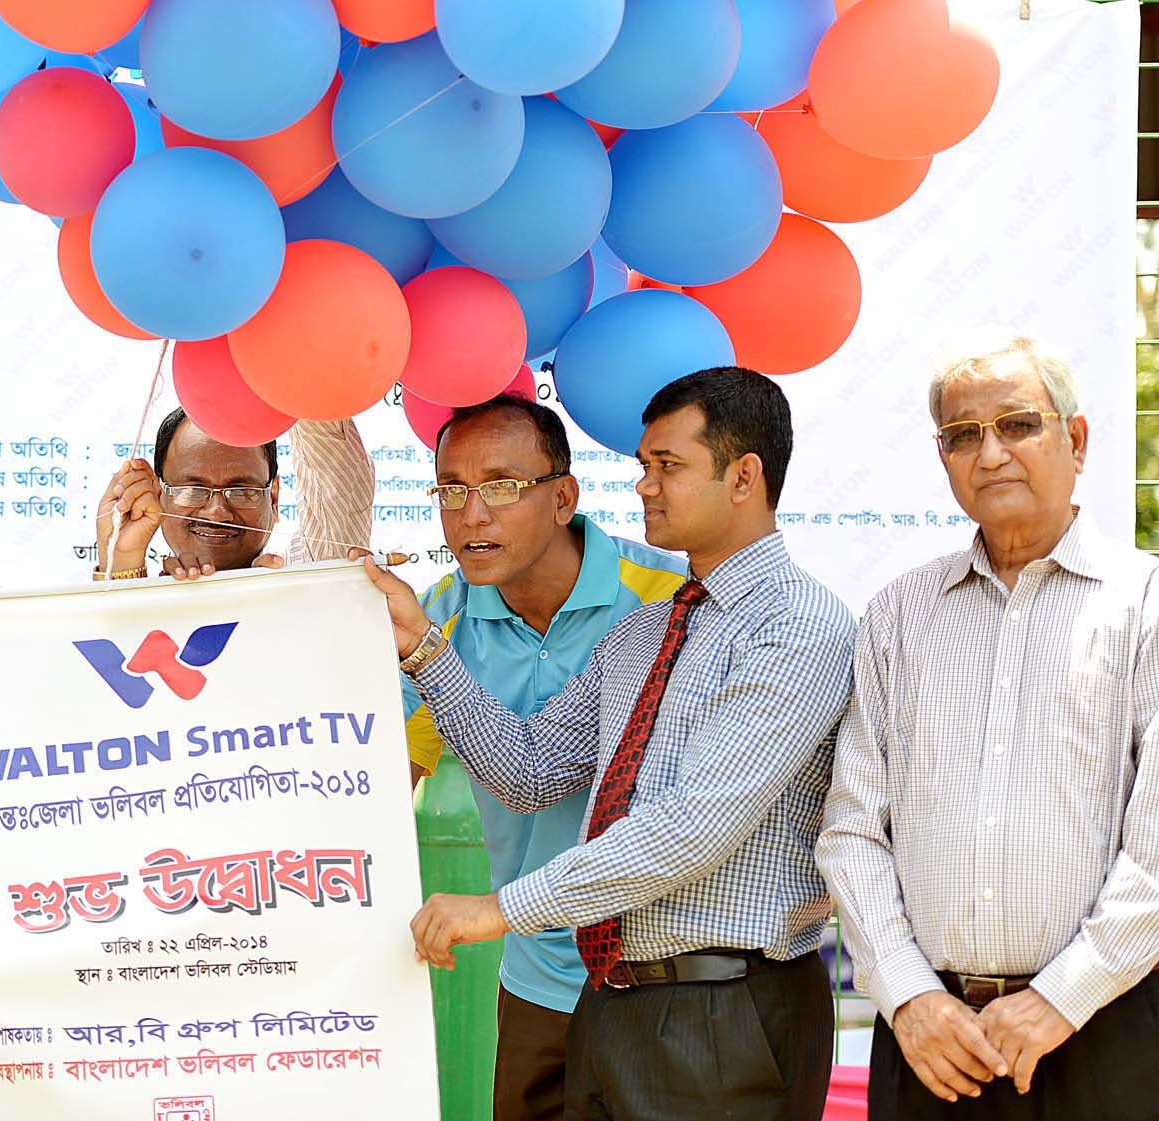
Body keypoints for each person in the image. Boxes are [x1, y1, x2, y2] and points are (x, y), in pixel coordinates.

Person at [360, 367, 856, 1120]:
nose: (644, 488)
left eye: (668, 466)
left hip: (727, 1010)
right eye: (642, 467)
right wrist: (424, 646)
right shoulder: (643, 632)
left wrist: (500, 908)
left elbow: (689, 830)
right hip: (611, 1000)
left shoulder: (799, 626)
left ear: (744, 476)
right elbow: (529, 772)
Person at [816, 333, 1159, 1120]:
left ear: (1074, 439)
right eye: (963, 435)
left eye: (1018, 424)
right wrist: (906, 996)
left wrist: (1061, 996)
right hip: (930, 1043)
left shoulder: (1145, 605)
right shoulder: (899, 616)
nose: (992, 452)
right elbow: (852, 829)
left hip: (1105, 1027)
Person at [402, 394, 685, 1119]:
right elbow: (371, 782)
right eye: (452, 489)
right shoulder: (439, 615)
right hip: (531, 977)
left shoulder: (663, 599)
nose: (472, 514)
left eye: (500, 485)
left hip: (655, 979)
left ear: (563, 497)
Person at [92, 412, 374, 578]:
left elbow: (337, 483)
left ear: (273, 498)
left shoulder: (305, 577)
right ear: (158, 494)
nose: (216, 512)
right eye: (192, 490)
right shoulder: (150, 603)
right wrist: (122, 565)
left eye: (242, 491)